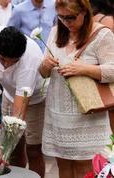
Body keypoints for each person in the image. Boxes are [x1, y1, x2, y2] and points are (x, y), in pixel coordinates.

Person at [39, 0, 114, 177]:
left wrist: (84, 69)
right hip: (58, 116)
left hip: (88, 117)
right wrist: (46, 65)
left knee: (85, 170)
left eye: (71, 17)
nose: (66, 22)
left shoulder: (101, 34)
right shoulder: (56, 32)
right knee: (63, 168)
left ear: (84, 12)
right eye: (61, 17)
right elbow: (42, 73)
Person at [0, 26, 46, 177]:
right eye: (2, 59)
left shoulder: (31, 59)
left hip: (35, 99)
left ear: (20, 56)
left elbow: (18, 114)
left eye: (13, 62)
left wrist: (3, 149)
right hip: (8, 93)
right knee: (14, 150)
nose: (6, 65)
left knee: (33, 149)